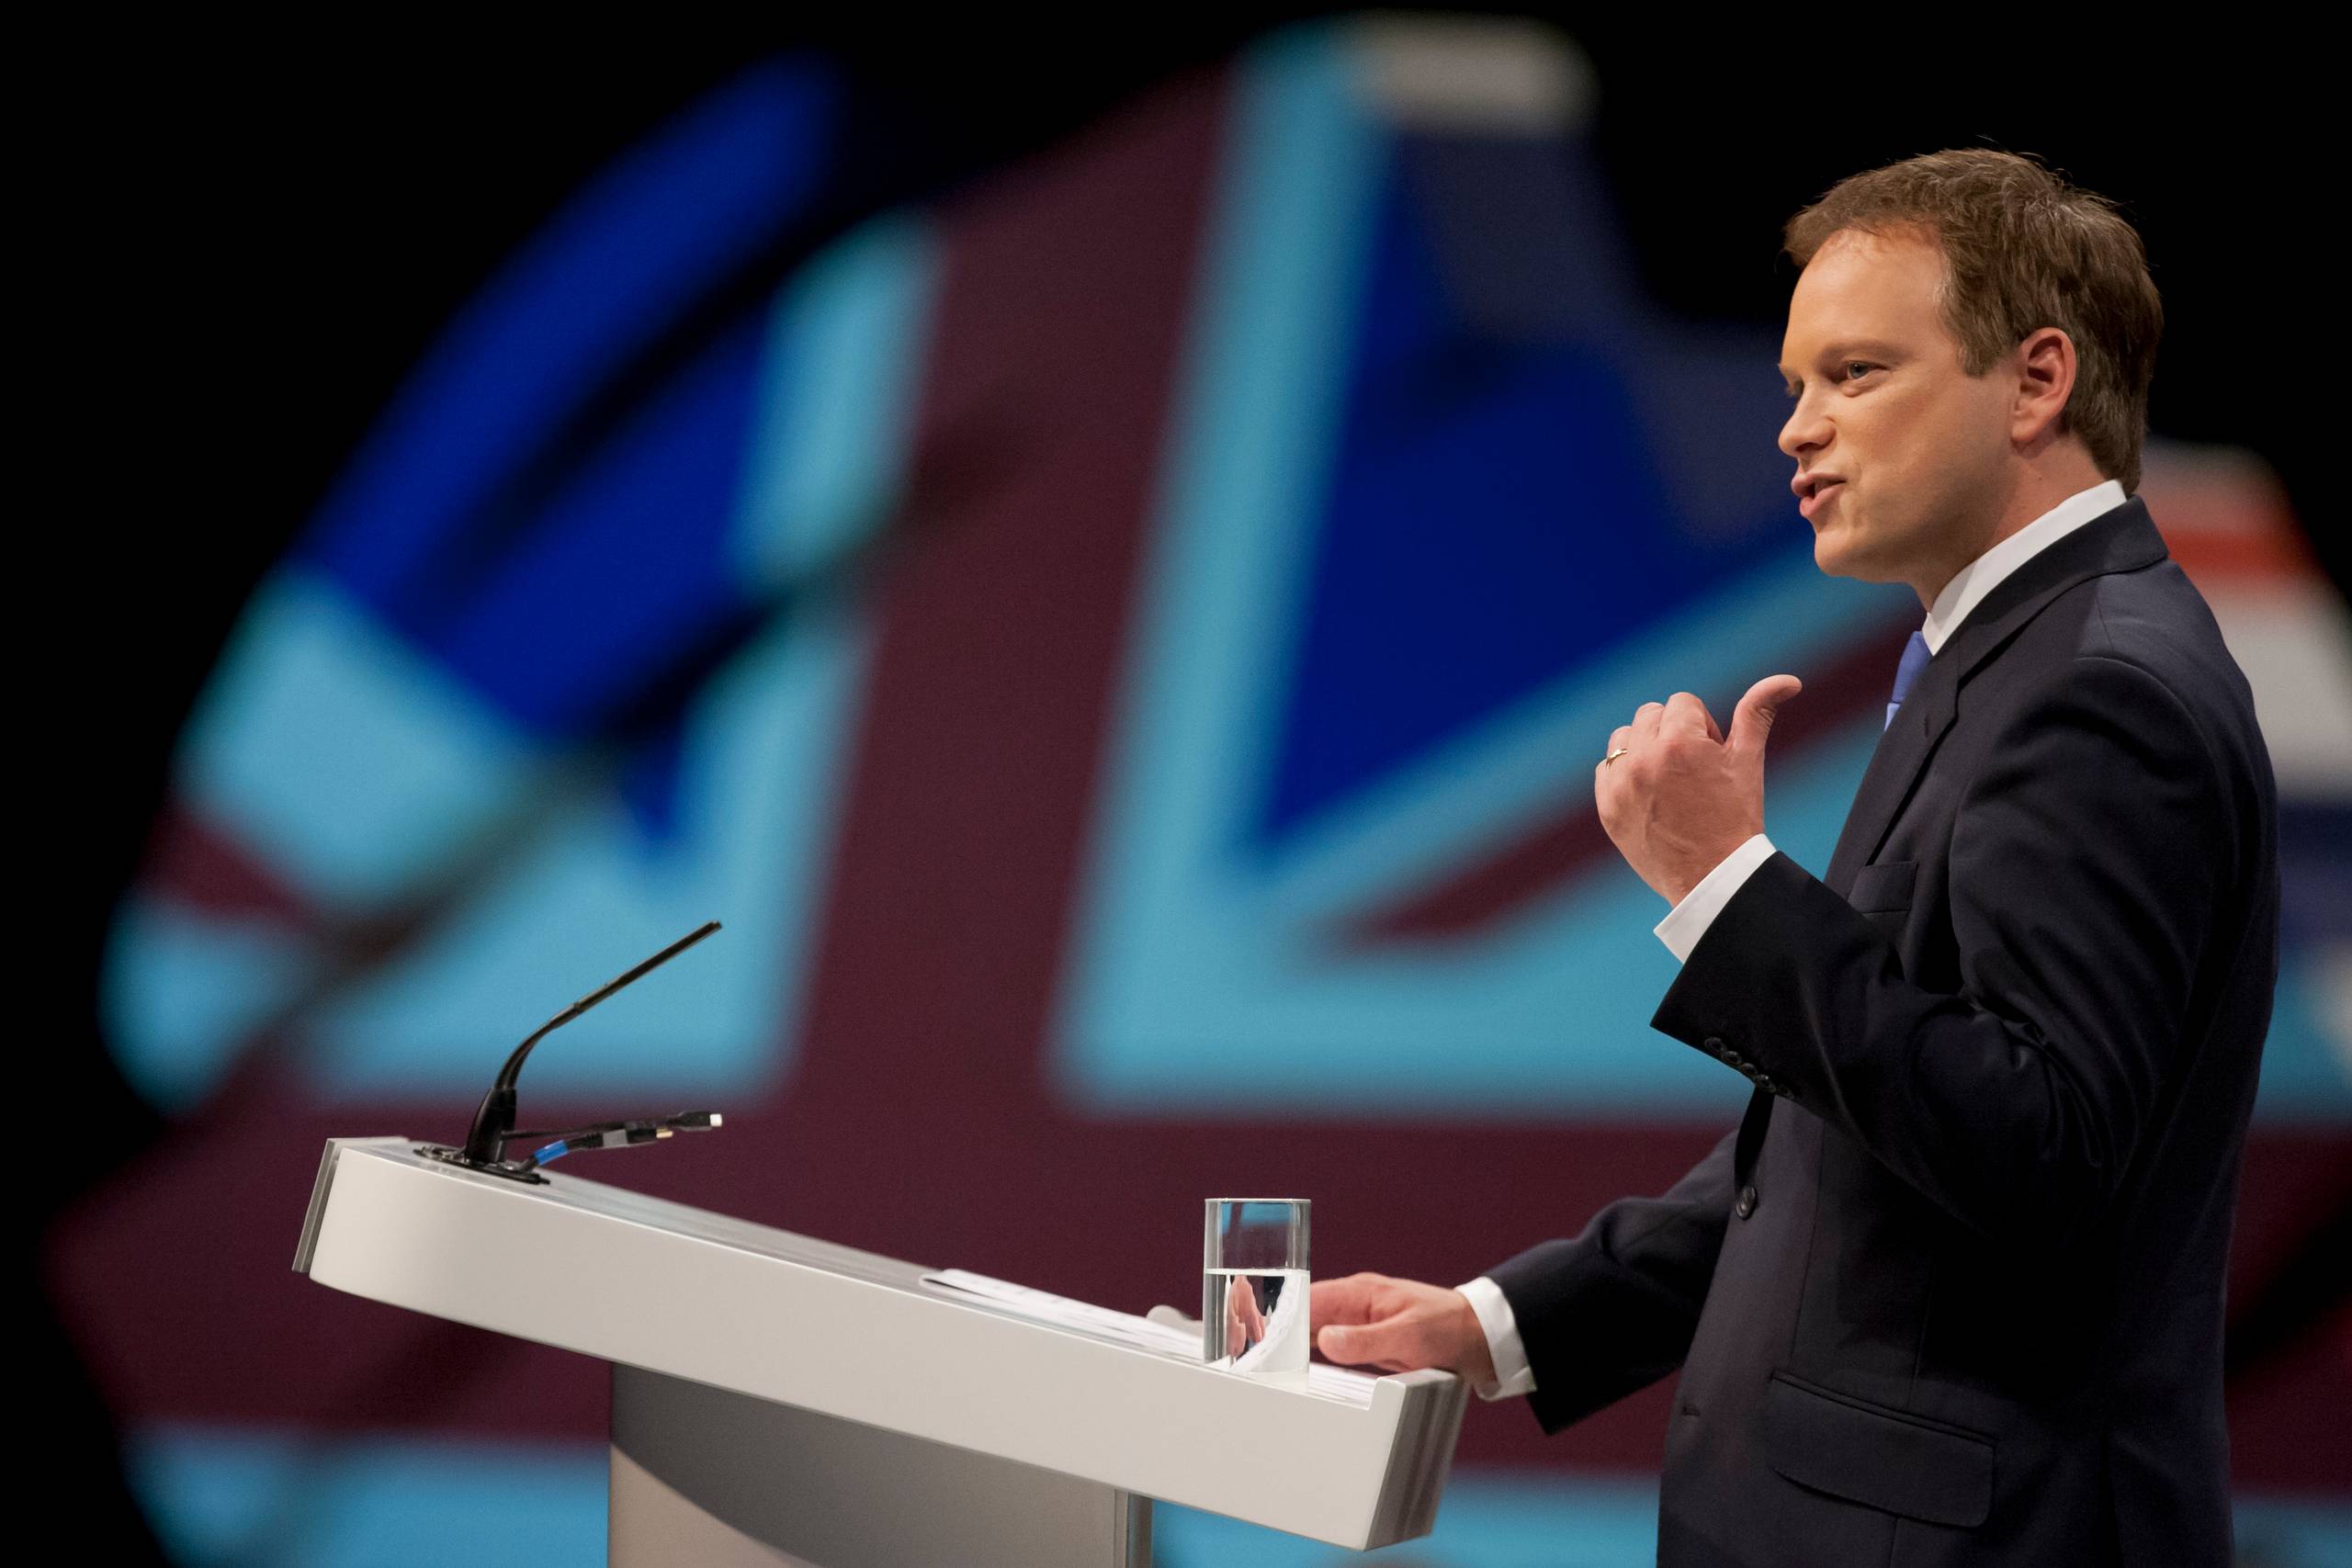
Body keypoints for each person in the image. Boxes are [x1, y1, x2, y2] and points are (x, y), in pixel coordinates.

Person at [1309, 149, 2278, 1566]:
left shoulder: (2098, 689)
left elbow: (2041, 1151)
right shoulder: (1997, 659)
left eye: (1855, 374)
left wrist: (1725, 890)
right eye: (1792, 387)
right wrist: (1501, 1327)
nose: (1796, 431)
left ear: (2036, 380)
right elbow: (1856, 1153)